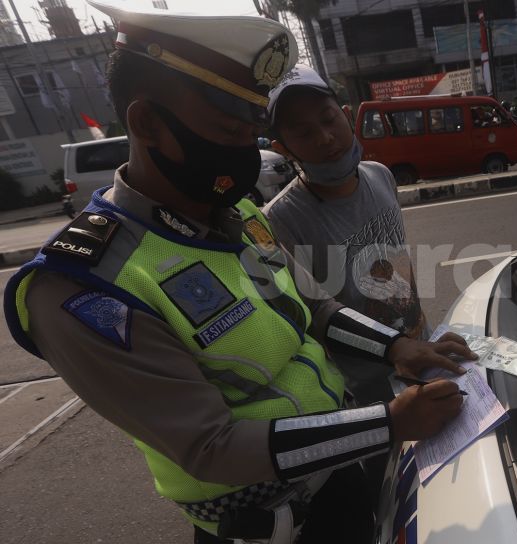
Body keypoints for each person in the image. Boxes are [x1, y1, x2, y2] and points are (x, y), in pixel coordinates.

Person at [2, 2, 475, 543]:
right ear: (148, 124)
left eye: (251, 131)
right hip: (269, 525)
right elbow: (211, 447)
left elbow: (311, 306)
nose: (246, 154)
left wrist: (396, 347)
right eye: (228, 132)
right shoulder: (82, 284)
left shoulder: (237, 217)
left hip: (342, 474)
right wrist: (389, 423)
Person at [262, 66, 432, 403]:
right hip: (372, 393)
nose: (325, 138)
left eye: (328, 120)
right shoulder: (279, 221)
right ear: (282, 147)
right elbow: (313, 314)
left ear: (347, 116)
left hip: (423, 352)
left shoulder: (380, 176)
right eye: (304, 132)